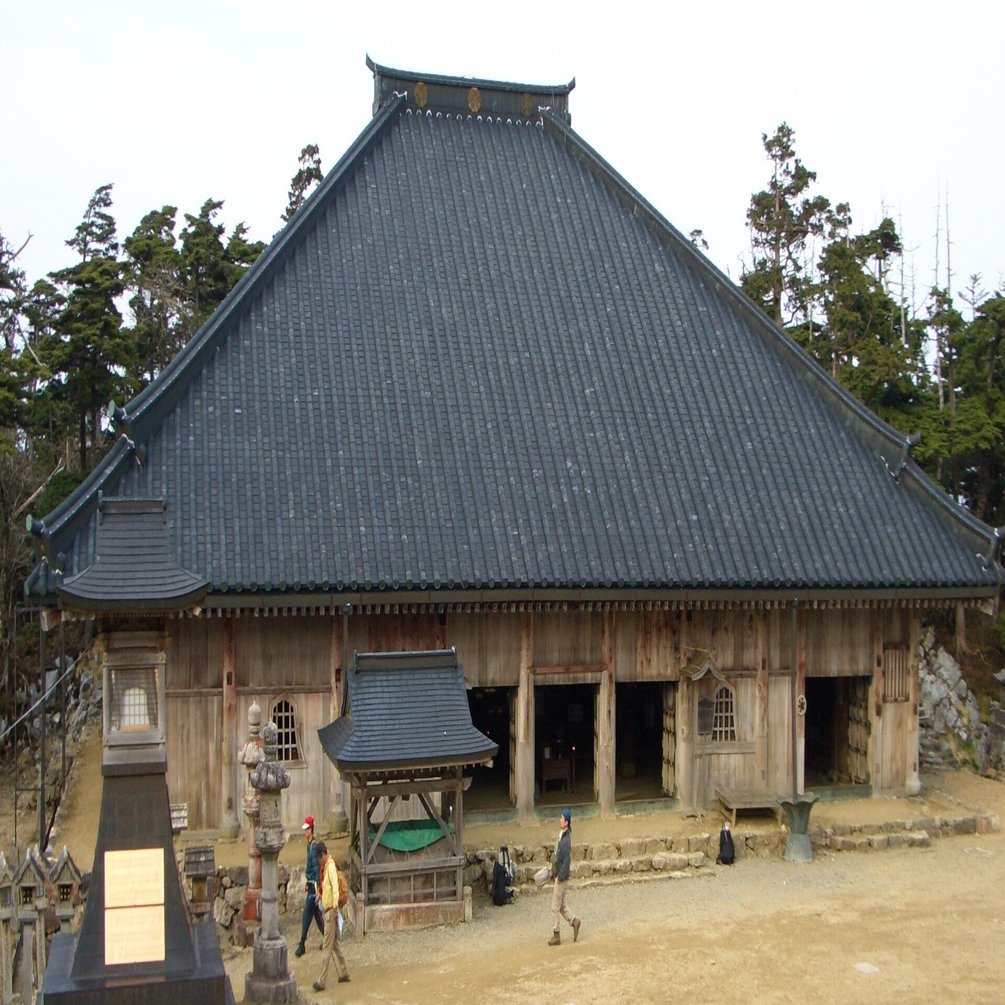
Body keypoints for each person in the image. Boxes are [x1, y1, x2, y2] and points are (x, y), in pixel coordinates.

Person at [312, 841, 350, 991]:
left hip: (330, 911)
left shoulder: (330, 868)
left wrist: (334, 908)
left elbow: (335, 889)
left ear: (322, 856)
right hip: (329, 910)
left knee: (327, 946)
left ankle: (322, 980)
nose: (319, 861)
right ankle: (344, 971)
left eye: (319, 858)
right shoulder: (327, 868)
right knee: (334, 944)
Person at [548, 808, 582, 946]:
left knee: (554, 907)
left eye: (562, 818)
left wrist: (560, 876)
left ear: (566, 822)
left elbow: (566, 860)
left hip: (562, 876)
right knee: (561, 905)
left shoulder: (566, 840)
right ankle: (574, 921)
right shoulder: (563, 835)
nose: (560, 820)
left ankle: (556, 934)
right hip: (561, 874)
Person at [295, 815, 324, 957]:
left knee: (307, 913)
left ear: (311, 829)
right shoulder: (310, 846)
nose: (305, 832)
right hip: (312, 884)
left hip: (314, 886)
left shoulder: (313, 848)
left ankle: (302, 944)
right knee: (317, 915)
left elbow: (316, 867)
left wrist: (318, 886)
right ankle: (327, 938)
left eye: (306, 829)